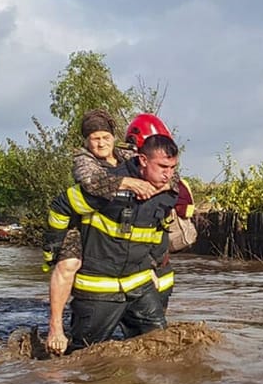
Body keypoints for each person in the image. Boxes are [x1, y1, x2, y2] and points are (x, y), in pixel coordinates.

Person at [44, 134, 180, 355]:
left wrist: (154, 266)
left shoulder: (166, 194)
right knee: (83, 360)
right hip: (99, 288)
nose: (168, 174)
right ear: (143, 160)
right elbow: (60, 207)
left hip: (139, 286)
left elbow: (159, 232)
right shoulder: (107, 186)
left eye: (173, 167)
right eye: (163, 166)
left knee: (162, 350)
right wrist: (56, 247)